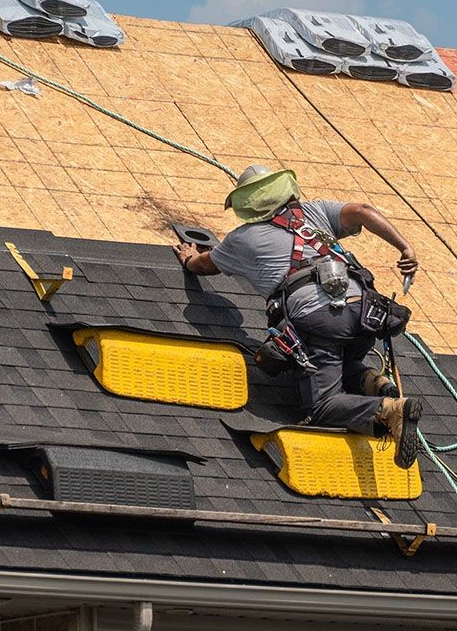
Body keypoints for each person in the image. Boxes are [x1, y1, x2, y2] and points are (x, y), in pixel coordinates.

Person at [176, 164, 423, 466]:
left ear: (247, 203)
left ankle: (388, 408)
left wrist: (189, 259)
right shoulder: (315, 213)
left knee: (322, 405)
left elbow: (203, 266)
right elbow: (362, 210)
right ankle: (373, 382)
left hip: (320, 319)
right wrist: (405, 247)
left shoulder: (242, 239)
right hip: (367, 314)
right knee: (341, 359)